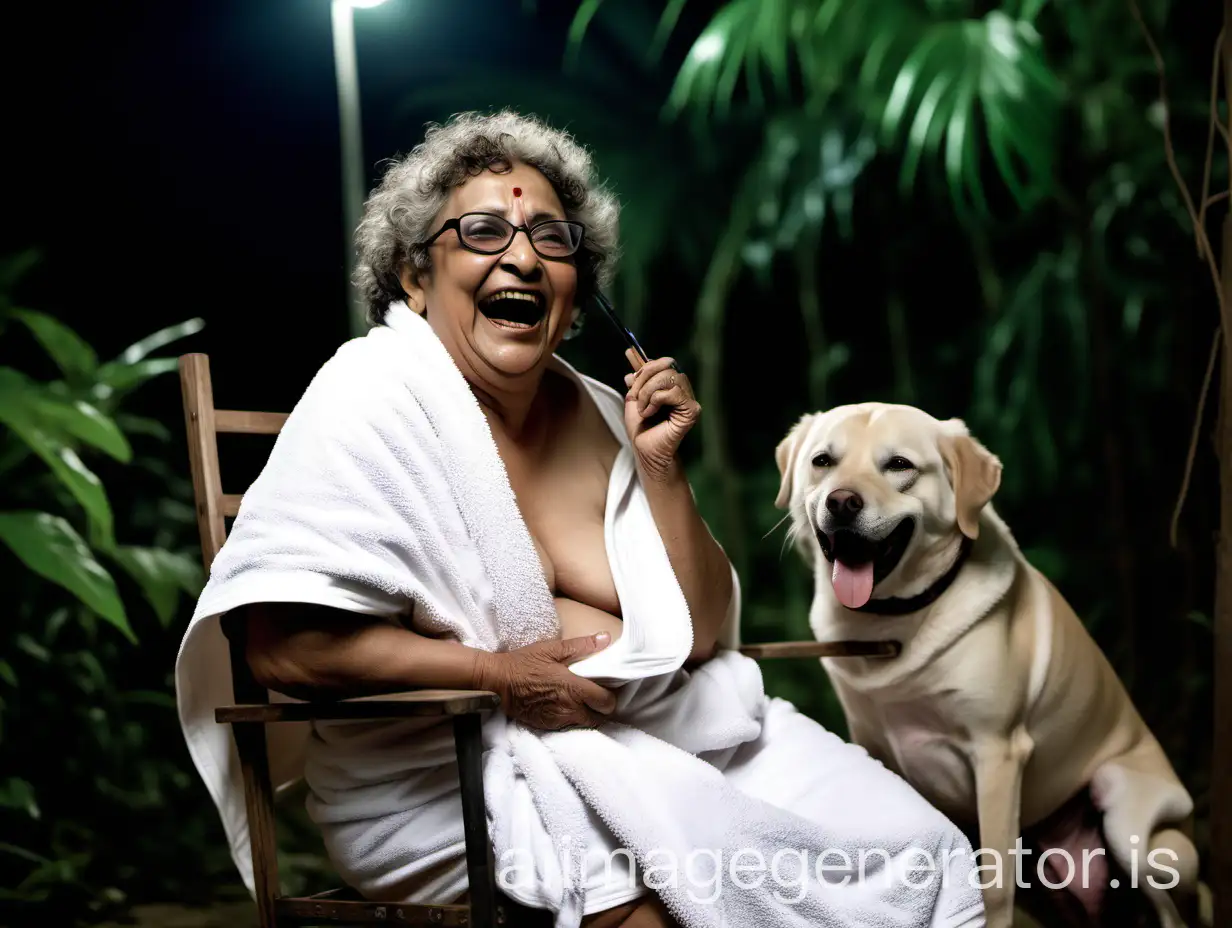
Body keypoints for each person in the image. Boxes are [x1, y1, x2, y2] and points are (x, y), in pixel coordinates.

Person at [175, 110, 985, 928]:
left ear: (576, 292)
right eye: (484, 231)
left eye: (551, 238)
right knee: (676, 909)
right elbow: (282, 648)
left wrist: (662, 469)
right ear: (416, 276)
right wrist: (499, 677)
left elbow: (702, 635)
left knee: (922, 849)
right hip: (448, 780)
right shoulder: (368, 397)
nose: (521, 255)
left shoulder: (607, 416)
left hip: (677, 737)